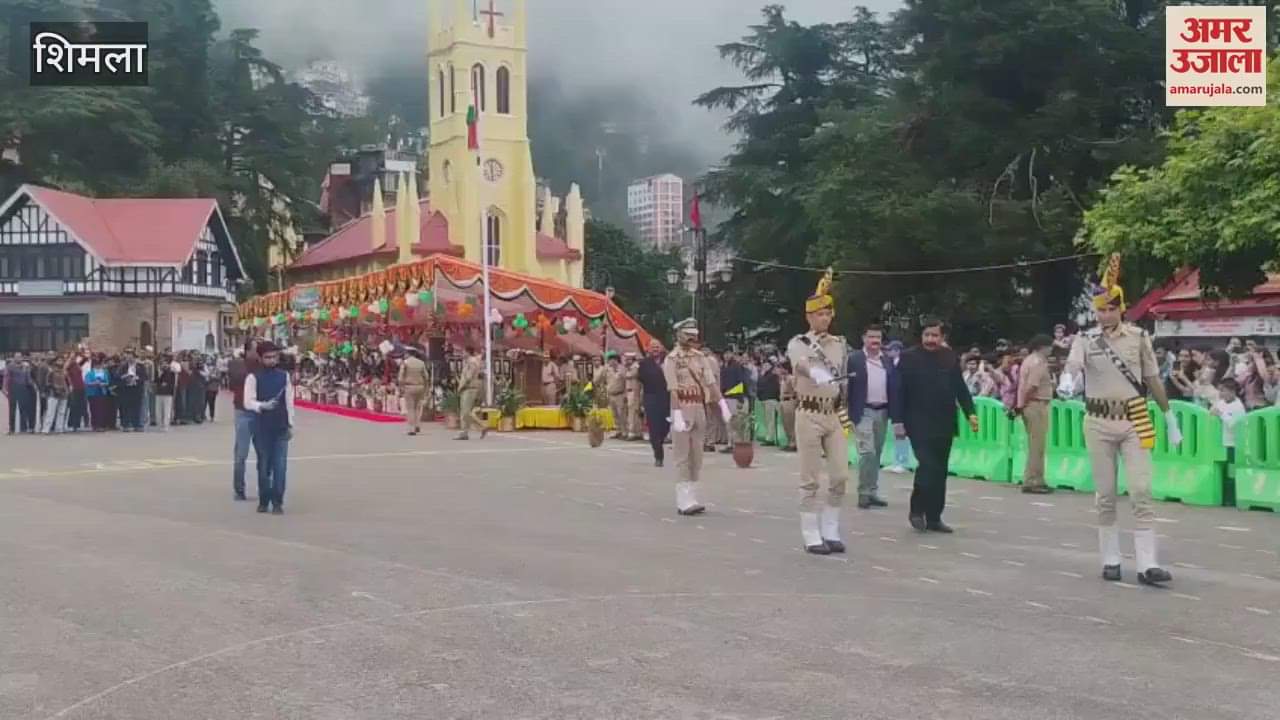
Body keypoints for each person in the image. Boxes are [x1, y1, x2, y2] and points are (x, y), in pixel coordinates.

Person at [1061, 253, 1180, 586]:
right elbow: (1073, 365)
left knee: (1141, 489)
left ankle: (1147, 564)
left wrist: (1169, 415)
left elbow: (1153, 378)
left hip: (1135, 417)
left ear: (1121, 308)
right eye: (1100, 309)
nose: (1105, 314)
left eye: (1111, 308)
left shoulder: (1139, 337)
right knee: (1106, 494)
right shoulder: (1085, 339)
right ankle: (1111, 558)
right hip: (1098, 420)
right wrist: (1068, 379)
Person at [891, 318, 977, 534]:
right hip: (917, 422)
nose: (930, 339)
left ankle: (935, 517)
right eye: (927, 335)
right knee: (927, 466)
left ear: (942, 337)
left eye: (935, 335)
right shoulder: (909, 358)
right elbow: (898, 392)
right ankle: (916, 510)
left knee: (940, 471)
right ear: (922, 336)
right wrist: (898, 421)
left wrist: (970, 413)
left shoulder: (949, 357)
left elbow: (959, 388)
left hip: (944, 422)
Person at [787, 270, 851, 555]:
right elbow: (799, 363)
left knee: (840, 476)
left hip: (833, 414)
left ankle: (831, 527)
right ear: (809, 317)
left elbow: (846, 378)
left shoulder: (840, 344)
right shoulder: (799, 342)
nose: (825, 318)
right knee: (810, 477)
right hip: (809, 413)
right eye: (820, 314)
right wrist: (814, 370)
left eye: (828, 313)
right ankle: (810, 531)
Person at [664, 318, 728, 515]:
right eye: (688, 334)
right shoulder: (672, 359)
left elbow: (711, 383)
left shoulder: (700, 357)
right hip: (682, 406)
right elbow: (673, 389)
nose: (692, 338)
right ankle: (683, 499)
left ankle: (692, 495)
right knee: (682, 454)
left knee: (697, 455)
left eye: (694, 335)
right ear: (679, 335)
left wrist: (722, 405)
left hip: (699, 406)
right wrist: (677, 415)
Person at [243, 342, 295, 515]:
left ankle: (278, 501)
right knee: (264, 466)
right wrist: (262, 406)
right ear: (260, 358)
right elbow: (247, 401)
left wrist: (290, 424)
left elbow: (289, 402)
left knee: (280, 466)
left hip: (280, 426)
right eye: (267, 357)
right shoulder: (253, 377)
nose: (271, 360)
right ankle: (264, 499)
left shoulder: (284, 376)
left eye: (274, 357)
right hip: (261, 427)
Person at [848, 324, 894, 510]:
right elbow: (847, 387)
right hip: (863, 411)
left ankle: (873, 491)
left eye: (878, 338)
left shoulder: (887, 360)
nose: (875, 341)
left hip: (883, 411)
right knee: (867, 452)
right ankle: (863, 493)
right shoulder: (854, 359)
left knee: (877, 453)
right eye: (871, 337)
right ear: (863, 339)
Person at [1016, 334, 1055, 494]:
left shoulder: (1028, 360)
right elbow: (1032, 386)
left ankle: (1034, 478)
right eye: (1050, 346)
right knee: (1037, 445)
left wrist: (1020, 405)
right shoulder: (1038, 362)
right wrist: (1023, 403)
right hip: (1036, 403)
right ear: (1043, 347)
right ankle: (1033, 481)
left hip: (1030, 404)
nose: (1051, 350)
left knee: (1034, 444)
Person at [228, 343, 258, 500]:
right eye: (255, 349)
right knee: (241, 452)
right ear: (247, 351)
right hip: (242, 410)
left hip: (260, 412)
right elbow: (236, 381)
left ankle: (266, 487)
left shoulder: (264, 365)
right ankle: (239, 489)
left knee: (264, 452)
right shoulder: (237, 364)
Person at [637, 340, 670, 467]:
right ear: (649, 349)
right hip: (650, 397)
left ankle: (660, 440)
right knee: (654, 428)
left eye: (657, 347)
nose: (655, 349)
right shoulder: (644, 363)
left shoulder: (668, 361)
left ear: (661, 348)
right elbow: (640, 381)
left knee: (666, 425)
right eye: (653, 347)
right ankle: (658, 455)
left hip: (666, 397)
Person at [455, 346, 488, 440]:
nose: (462, 354)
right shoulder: (469, 361)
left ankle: (482, 426)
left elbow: (469, 376)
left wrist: (462, 386)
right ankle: (464, 433)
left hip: (469, 388)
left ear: (468, 352)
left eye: (463, 352)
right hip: (467, 388)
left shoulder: (472, 362)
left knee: (466, 412)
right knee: (464, 412)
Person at [1212, 378, 1246, 465]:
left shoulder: (1238, 406)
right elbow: (1212, 413)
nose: (1221, 393)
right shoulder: (1220, 403)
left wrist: (1220, 414)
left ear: (1232, 391)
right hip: (1220, 442)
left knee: (1231, 467)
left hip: (1233, 444)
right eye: (1220, 390)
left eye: (1223, 391)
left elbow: (1233, 424)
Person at [399, 347, 430, 436]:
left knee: (410, 408)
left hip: (409, 387)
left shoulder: (405, 363)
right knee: (418, 407)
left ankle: (411, 428)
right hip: (420, 387)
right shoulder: (421, 363)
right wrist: (426, 388)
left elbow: (401, 377)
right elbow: (426, 377)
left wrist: (401, 387)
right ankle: (417, 425)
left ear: (408, 354)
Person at [3, 353, 35, 434]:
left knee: (23, 408)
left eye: (20, 357)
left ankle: (23, 428)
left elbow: (28, 378)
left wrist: (33, 385)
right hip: (13, 387)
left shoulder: (25, 366)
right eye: (17, 357)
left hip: (24, 388)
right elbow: (6, 377)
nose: (18, 358)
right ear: (14, 358)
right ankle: (11, 429)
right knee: (12, 408)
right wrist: (5, 388)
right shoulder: (10, 366)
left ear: (22, 358)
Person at [42, 354, 69, 434]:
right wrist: (54, 388)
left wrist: (67, 390)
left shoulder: (64, 371)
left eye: (62, 360)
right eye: (59, 360)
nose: (61, 362)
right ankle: (46, 429)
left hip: (64, 393)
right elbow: (47, 382)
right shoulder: (51, 371)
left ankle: (59, 428)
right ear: (55, 361)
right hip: (53, 393)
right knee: (50, 411)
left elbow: (67, 382)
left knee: (61, 412)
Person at [756, 361, 781, 446]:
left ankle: (770, 438)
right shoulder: (764, 375)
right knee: (768, 419)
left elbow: (774, 388)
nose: (765, 366)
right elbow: (759, 385)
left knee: (770, 419)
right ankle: (769, 436)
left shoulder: (772, 376)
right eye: (764, 365)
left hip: (771, 399)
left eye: (767, 365)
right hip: (765, 399)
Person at [604, 352, 627, 440]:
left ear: (615, 360)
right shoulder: (608, 370)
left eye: (609, 360)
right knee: (615, 414)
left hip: (620, 395)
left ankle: (625, 432)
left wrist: (625, 395)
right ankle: (618, 431)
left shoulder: (622, 369)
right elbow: (606, 382)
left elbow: (626, 383)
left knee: (622, 414)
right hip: (611, 395)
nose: (608, 362)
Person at [85, 356, 112, 432]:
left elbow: (107, 381)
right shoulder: (90, 373)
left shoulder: (104, 372)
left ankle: (101, 425)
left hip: (102, 392)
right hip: (92, 393)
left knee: (102, 409)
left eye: (99, 364)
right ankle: (95, 425)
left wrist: (103, 384)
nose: (98, 366)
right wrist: (94, 383)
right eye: (96, 365)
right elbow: (87, 382)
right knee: (94, 409)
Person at [779, 361, 798, 452]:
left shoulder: (791, 378)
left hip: (790, 401)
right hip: (783, 401)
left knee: (791, 422)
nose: (780, 370)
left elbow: (795, 390)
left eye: (782, 368)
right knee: (785, 423)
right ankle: (789, 441)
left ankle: (794, 443)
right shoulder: (782, 379)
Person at [624, 352, 643, 441]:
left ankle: (632, 433)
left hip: (634, 392)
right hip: (629, 392)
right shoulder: (628, 368)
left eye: (629, 359)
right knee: (633, 413)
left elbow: (629, 376)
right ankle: (637, 432)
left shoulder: (635, 367)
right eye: (626, 359)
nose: (627, 361)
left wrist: (626, 368)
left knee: (633, 413)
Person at [155, 355, 177, 432]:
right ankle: (159, 424)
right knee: (158, 411)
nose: (163, 364)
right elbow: (156, 381)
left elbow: (172, 383)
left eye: (165, 363)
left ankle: (166, 425)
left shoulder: (171, 372)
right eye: (162, 363)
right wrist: (159, 375)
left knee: (167, 410)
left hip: (167, 393)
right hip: (159, 393)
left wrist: (166, 385)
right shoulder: (159, 371)